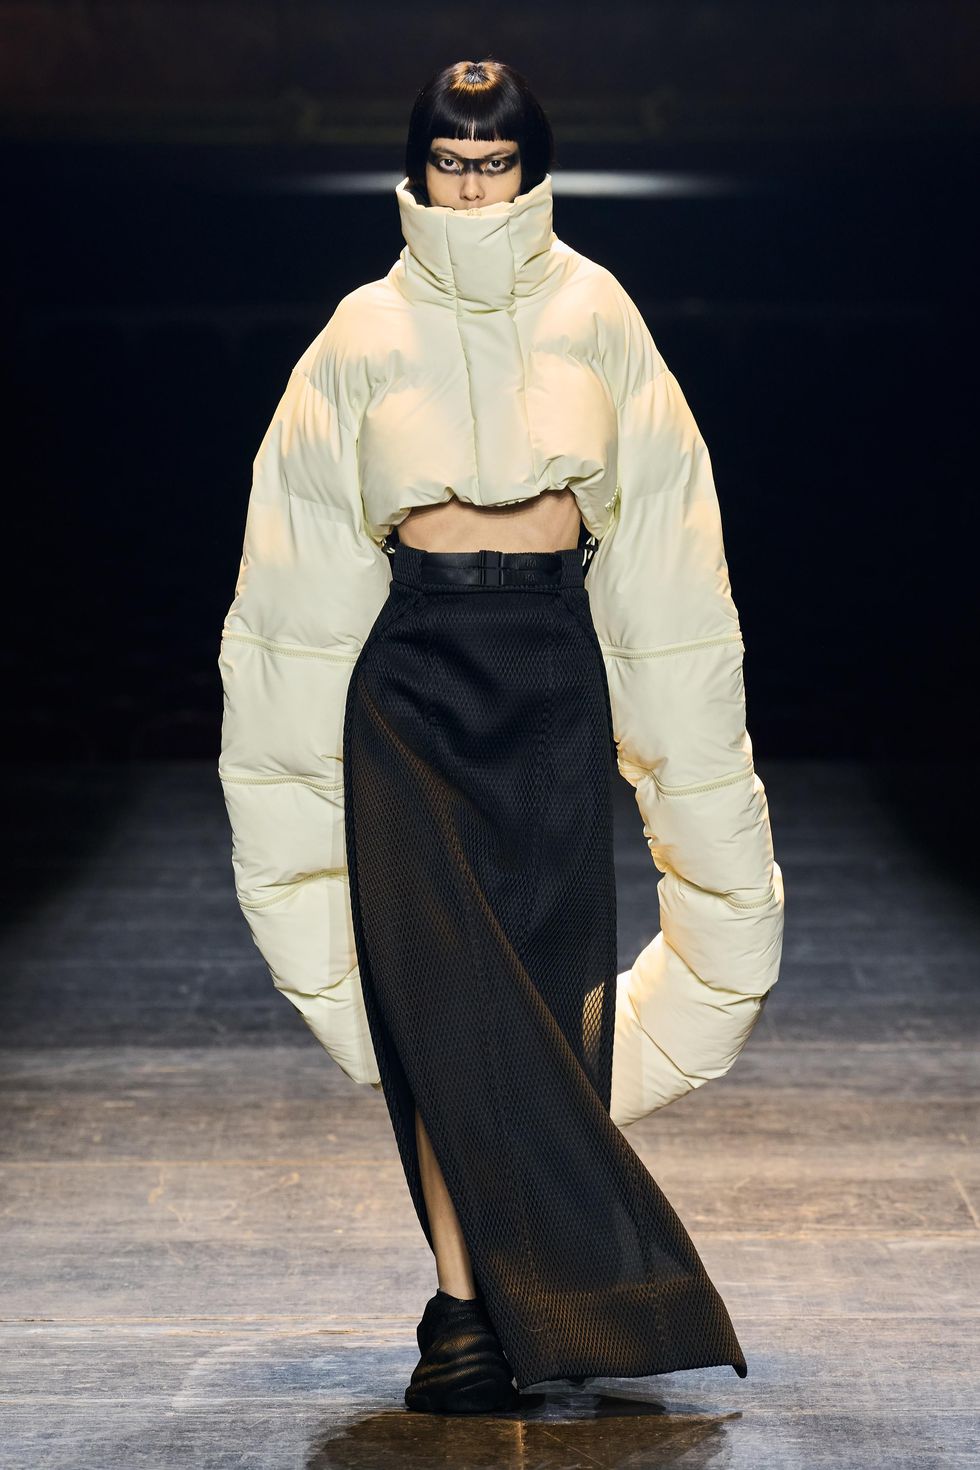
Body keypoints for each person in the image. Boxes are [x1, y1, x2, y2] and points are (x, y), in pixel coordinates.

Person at [217, 58, 785, 1414]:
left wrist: (688, 757)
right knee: (439, 1009)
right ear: (419, 169)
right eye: (453, 164)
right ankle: (469, 1310)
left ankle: (516, 1306)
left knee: (541, 999)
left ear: (532, 169)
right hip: (411, 689)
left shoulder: (599, 314)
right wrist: (285, 779)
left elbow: (663, 556)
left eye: (496, 164)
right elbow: (295, 583)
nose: (474, 190)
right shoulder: (360, 334)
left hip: (548, 677)